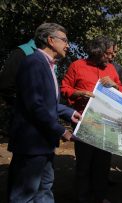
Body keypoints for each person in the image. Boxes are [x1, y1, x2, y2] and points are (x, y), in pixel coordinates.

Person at [7, 22, 81, 203]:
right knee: (25, 194)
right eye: (64, 40)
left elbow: (48, 103)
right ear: (50, 40)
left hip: (43, 143)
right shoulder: (33, 63)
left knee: (45, 187)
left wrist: (69, 113)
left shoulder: (48, 65)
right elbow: (35, 106)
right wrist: (61, 130)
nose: (68, 45)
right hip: (31, 144)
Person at [61, 36, 122, 203]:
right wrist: (80, 93)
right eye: (109, 54)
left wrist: (115, 86)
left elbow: (121, 90)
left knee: (102, 165)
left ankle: (100, 196)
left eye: (113, 54)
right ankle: (83, 197)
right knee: (84, 166)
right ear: (97, 52)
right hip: (84, 122)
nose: (112, 57)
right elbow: (64, 88)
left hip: (106, 125)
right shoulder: (77, 66)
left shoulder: (111, 69)